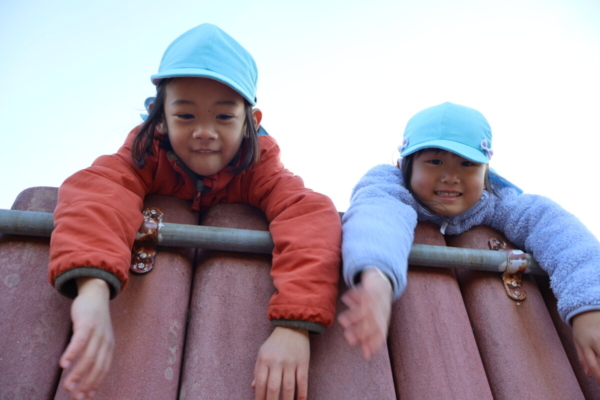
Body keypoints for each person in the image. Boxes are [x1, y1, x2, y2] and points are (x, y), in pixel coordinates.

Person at [48, 23, 341, 400]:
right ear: (159, 116)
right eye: (186, 116)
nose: (205, 131)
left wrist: (295, 327)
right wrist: (92, 292)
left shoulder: (258, 166)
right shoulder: (146, 153)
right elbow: (98, 193)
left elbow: (309, 216)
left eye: (224, 117)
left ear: (251, 123)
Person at [338, 102, 600, 383]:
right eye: (435, 161)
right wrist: (377, 277)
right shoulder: (389, 184)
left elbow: (559, 231)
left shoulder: (495, 199)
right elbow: (378, 215)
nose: (451, 177)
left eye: (467, 164)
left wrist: (589, 304)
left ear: (485, 171)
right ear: (405, 164)